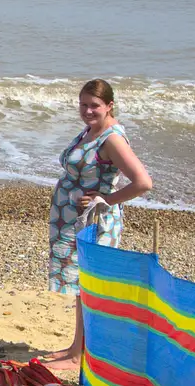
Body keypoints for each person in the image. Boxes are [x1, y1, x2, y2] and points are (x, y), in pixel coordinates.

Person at [41, 79, 154, 368]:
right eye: (83, 105)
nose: (88, 110)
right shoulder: (92, 130)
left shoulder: (112, 139)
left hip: (95, 223)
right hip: (76, 222)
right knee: (82, 286)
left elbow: (143, 183)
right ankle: (74, 348)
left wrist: (106, 199)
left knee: (88, 286)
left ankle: (79, 356)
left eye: (94, 105)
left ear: (109, 106)